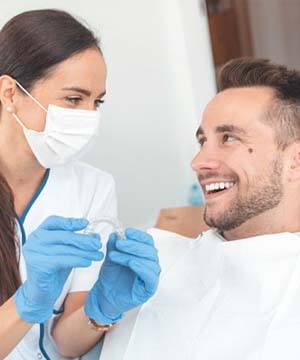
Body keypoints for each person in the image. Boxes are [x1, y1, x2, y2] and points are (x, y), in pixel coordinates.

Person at [99, 58, 300, 360]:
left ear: (295, 161)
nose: (198, 162)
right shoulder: (156, 258)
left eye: (228, 138)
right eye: (203, 140)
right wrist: (98, 314)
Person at [0, 9, 160, 360]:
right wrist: (26, 303)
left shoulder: (92, 187)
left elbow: (64, 344)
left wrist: (100, 310)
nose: (88, 116)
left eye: (97, 101)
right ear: (10, 93)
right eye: (74, 99)